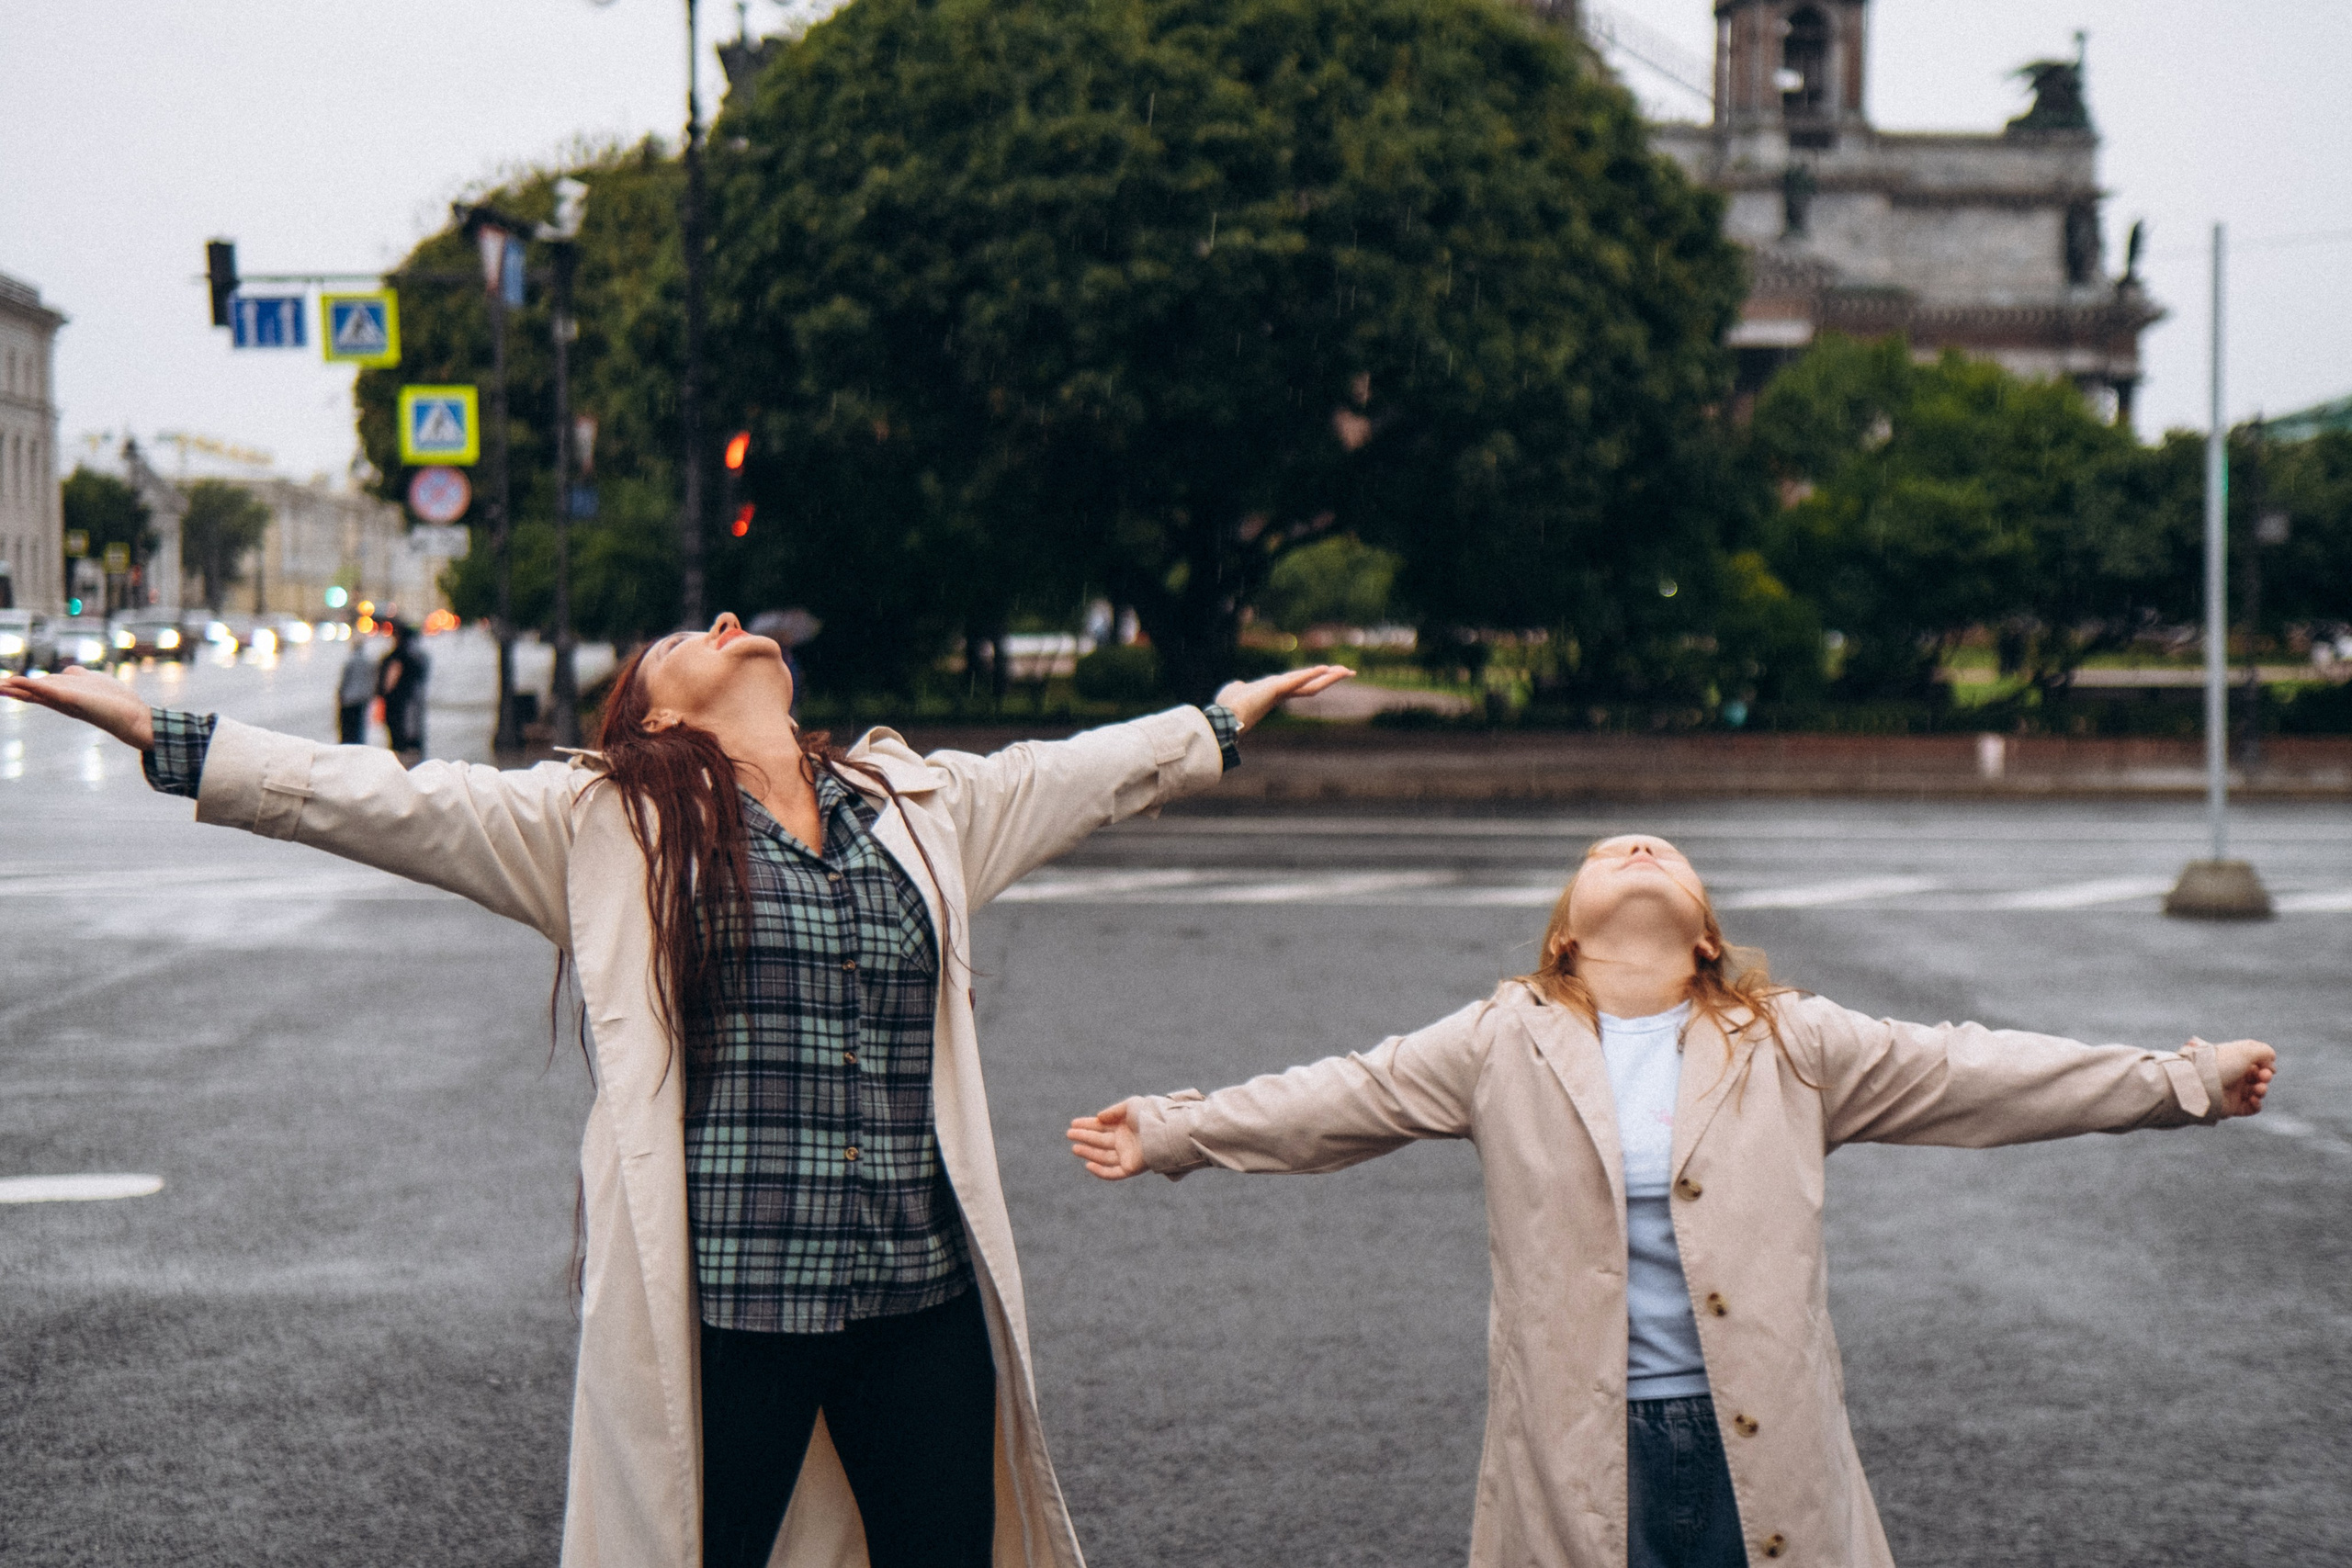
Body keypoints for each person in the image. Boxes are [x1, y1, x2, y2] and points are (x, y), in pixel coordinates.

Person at [0, 620, 1350, 1568]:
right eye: (688, 638)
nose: (725, 622)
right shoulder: (603, 821)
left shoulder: (917, 803)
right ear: (657, 713)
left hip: (917, 1301)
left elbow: (1075, 773)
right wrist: (170, 734)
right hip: (727, 1311)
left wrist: (1216, 720)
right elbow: (381, 798)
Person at [1068, 833, 2278, 1568]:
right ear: (1561, 933)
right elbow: (1335, 1096)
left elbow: (1977, 1068)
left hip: (1759, 1433)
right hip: (1581, 1448)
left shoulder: (1790, 1037)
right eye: (1610, 850)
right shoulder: (1501, 1039)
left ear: (1706, 934)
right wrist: (1174, 1127)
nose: (1638, 846)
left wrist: (2178, 1079)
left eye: (1663, 850)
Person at [375, 619, 429, 760]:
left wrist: (381, 695)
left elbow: (388, 683)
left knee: (398, 739)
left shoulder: (397, 657)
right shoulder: (418, 658)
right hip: (411, 703)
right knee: (410, 738)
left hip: (397, 705)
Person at [335, 628, 380, 744]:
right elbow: (372, 680)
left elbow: (345, 681)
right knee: (359, 728)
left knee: (347, 729)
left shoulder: (350, 661)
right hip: (362, 699)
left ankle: (347, 747)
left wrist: (340, 696)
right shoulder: (369, 661)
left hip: (349, 699)